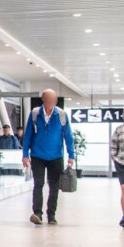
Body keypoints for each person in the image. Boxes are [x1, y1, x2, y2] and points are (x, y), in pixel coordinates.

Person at [22, 89, 76, 226]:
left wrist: (71, 155)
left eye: (54, 99)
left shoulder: (62, 115)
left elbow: (68, 137)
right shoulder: (35, 114)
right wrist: (25, 155)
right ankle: (37, 213)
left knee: (54, 186)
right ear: (43, 99)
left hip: (56, 156)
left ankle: (51, 214)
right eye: (49, 99)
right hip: (37, 155)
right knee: (38, 184)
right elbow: (28, 135)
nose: (52, 102)